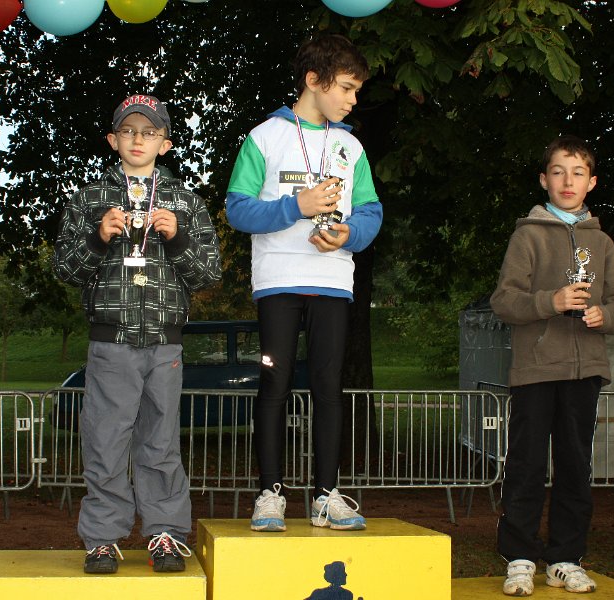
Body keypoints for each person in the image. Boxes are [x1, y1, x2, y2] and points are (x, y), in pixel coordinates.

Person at [53, 94, 221, 574]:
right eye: (128, 131)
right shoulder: (89, 199)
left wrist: (179, 237)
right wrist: (97, 237)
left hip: (165, 342)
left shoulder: (186, 202)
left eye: (149, 132)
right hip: (112, 341)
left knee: (160, 442)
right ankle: (103, 539)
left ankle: (165, 533)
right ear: (113, 140)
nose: (137, 139)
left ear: (164, 144)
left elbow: (209, 274)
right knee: (105, 441)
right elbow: (64, 269)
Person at [225, 33, 383, 533]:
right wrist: (298, 206)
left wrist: (348, 234)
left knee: (328, 388)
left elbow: (371, 211)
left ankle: (326, 496)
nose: (353, 100)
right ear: (314, 80)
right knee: (274, 384)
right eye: (347, 88)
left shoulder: (351, 146)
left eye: (356, 91)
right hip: (278, 281)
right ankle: (270, 493)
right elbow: (238, 209)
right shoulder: (264, 137)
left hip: (332, 282)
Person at [490, 135, 614, 596]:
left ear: (592, 182)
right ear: (543, 180)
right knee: (527, 464)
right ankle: (519, 557)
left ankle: (566, 559)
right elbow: (504, 301)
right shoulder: (527, 236)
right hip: (535, 370)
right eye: (558, 172)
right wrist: (550, 301)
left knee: (575, 467)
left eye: (577, 173)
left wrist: (605, 315)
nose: (567, 181)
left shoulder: (602, 242)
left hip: (585, 370)